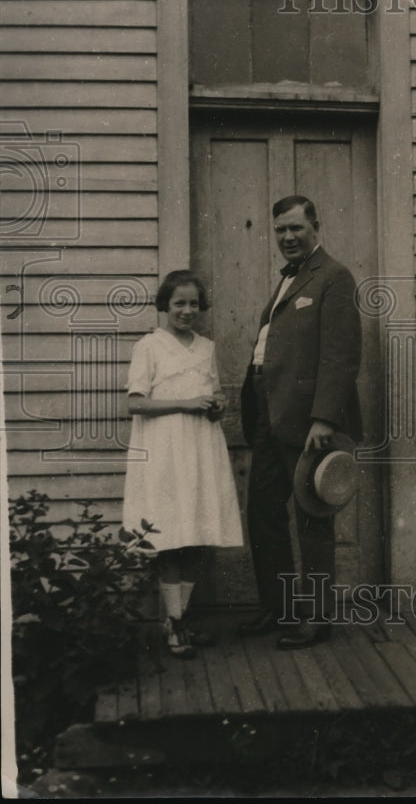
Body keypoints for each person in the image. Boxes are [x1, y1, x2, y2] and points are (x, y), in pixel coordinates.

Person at [240, 195, 362, 650]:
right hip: (269, 418)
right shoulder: (287, 282)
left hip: (308, 422)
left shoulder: (333, 277)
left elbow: (341, 355)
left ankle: (316, 617)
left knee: (312, 519)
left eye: (295, 228)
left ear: (316, 226)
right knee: (263, 514)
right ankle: (280, 606)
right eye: (280, 231)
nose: (288, 237)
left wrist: (324, 417)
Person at [123, 269, 243, 658]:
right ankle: (175, 622)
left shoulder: (206, 348)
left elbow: (210, 394)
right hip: (163, 451)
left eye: (193, 303)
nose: (187, 311)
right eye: (179, 303)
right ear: (165, 306)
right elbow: (135, 403)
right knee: (170, 536)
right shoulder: (150, 346)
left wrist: (215, 406)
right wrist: (186, 404)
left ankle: (179, 620)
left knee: (197, 533)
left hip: (200, 449)